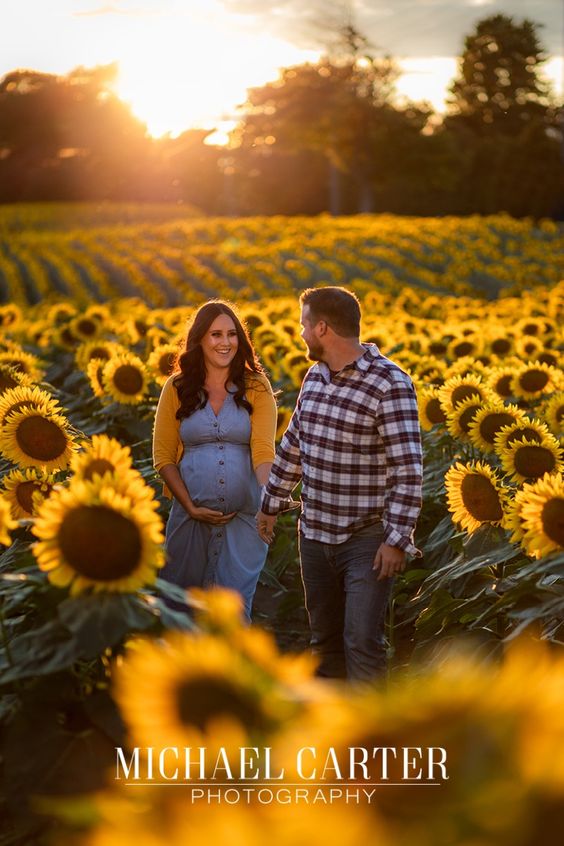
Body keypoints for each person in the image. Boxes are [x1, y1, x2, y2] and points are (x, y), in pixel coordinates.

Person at [256, 286, 423, 681]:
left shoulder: (389, 383)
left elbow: (408, 468)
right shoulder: (314, 377)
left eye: (304, 326)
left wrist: (397, 539)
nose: (300, 334)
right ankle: (330, 731)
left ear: (323, 328)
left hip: (365, 541)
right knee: (324, 644)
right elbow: (295, 444)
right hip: (313, 535)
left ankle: (369, 740)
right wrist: (270, 503)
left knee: (362, 642)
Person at [153, 300, 277, 620]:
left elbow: (263, 450)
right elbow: (163, 457)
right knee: (181, 607)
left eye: (232, 334)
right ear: (200, 340)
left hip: (243, 521)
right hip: (189, 518)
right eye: (216, 335)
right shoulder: (178, 387)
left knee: (232, 610)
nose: (225, 343)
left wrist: (270, 500)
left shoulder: (256, 386)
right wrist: (191, 507)